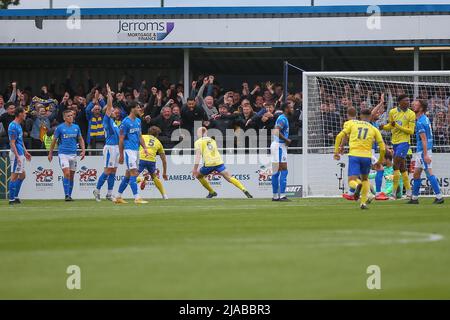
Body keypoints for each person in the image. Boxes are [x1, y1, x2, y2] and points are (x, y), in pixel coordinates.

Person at [334, 108, 386, 210]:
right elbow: (383, 147)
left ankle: (358, 185)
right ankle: (363, 203)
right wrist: (379, 161)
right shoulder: (374, 129)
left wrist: (336, 152)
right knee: (365, 179)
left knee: (351, 180)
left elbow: (339, 136)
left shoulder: (353, 125)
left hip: (354, 155)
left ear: (360, 116)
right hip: (367, 156)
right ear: (370, 117)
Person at [192, 127, 253, 199]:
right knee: (229, 177)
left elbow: (198, 157)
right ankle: (244, 189)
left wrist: (195, 169)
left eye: (198, 132)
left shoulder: (198, 142)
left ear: (200, 133)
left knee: (199, 176)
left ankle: (212, 192)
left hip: (209, 164)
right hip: (219, 162)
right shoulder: (212, 140)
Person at [408, 99, 444, 204]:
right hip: (423, 151)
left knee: (429, 173)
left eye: (416, 105)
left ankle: (439, 196)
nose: (413, 105)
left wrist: (425, 155)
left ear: (421, 108)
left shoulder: (420, 122)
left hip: (424, 151)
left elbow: (424, 139)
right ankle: (414, 198)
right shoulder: (425, 119)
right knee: (416, 174)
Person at [380, 94, 415, 200]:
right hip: (395, 142)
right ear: (399, 102)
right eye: (405, 100)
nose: (408, 102)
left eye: (408, 100)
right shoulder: (392, 112)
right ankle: (409, 192)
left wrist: (398, 126)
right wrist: (383, 127)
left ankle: (394, 194)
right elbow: (391, 125)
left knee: (395, 166)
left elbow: (411, 131)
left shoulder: (411, 114)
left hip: (404, 142)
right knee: (402, 168)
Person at [115, 101, 149, 204]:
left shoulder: (138, 121)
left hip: (136, 150)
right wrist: (121, 155)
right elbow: (121, 139)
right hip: (129, 150)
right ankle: (137, 197)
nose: (140, 109)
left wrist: (145, 148)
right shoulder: (125, 122)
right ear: (132, 109)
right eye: (138, 107)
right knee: (134, 173)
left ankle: (118, 197)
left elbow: (139, 136)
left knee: (128, 175)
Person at [48, 110, 86, 201]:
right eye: (68, 116)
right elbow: (54, 140)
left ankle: (69, 194)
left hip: (73, 154)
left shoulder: (76, 127)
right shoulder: (60, 128)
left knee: (72, 176)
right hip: (63, 154)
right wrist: (50, 153)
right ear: (64, 118)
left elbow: (80, 139)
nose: (71, 117)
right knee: (67, 173)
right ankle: (66, 195)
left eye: (72, 115)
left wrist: (83, 150)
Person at [93, 84, 120, 202]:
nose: (114, 111)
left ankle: (109, 193)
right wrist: (109, 94)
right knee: (107, 170)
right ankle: (97, 190)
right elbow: (109, 106)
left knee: (113, 171)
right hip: (110, 148)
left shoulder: (114, 122)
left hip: (116, 148)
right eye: (112, 110)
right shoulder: (107, 120)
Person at [137, 126, 169, 199]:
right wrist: (164, 173)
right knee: (154, 176)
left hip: (141, 158)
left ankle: (142, 179)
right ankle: (164, 195)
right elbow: (164, 160)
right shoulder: (158, 142)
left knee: (132, 177)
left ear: (148, 132)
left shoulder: (142, 137)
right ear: (157, 135)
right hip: (151, 160)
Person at [8, 107, 32, 205]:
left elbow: (20, 141)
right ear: (20, 114)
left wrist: (25, 151)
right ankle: (11, 199)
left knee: (22, 175)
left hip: (20, 153)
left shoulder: (19, 125)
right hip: (15, 154)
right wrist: (17, 156)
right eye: (24, 113)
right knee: (14, 176)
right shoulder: (13, 126)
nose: (25, 114)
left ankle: (16, 196)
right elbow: (12, 143)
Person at [271, 103, 294, 201]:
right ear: (286, 109)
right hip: (279, 146)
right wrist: (286, 139)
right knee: (284, 170)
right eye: (291, 108)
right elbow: (276, 131)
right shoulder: (282, 119)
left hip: (277, 146)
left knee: (276, 172)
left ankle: (275, 196)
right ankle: (282, 196)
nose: (292, 109)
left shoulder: (283, 118)